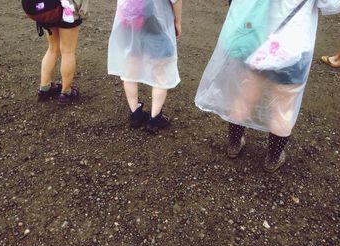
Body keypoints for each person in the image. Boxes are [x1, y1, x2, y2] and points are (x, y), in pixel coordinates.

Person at [195, 0, 340, 173]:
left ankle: (234, 145)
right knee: (282, 109)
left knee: (243, 97)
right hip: (294, 49)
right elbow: (332, 6)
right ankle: (273, 158)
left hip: (259, 42)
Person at [108, 0, 182, 133]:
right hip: (156, 21)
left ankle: (135, 113)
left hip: (131, 18)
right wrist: (178, 21)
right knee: (160, 71)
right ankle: (154, 120)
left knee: (131, 63)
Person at [37, 0, 89, 104]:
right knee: (67, 51)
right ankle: (66, 93)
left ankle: (45, 87)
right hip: (68, 10)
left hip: (47, 8)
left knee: (52, 48)